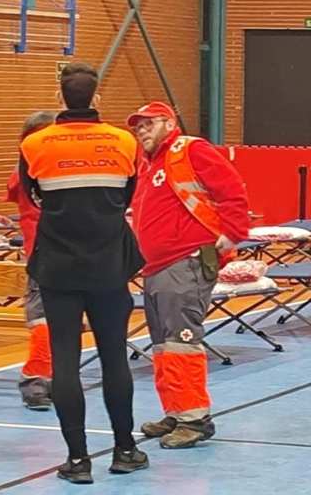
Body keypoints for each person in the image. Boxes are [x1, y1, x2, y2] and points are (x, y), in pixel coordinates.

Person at [18, 63, 148, 484]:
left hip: (58, 267)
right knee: (114, 359)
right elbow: (128, 193)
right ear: (96, 100)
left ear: (60, 99)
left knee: (66, 363)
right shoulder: (124, 141)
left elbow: (34, 196)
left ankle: (78, 460)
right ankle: (125, 450)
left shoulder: (35, 144)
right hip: (109, 265)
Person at [127, 102, 250, 449]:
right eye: (138, 127)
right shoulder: (149, 164)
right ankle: (177, 410)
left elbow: (232, 190)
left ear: (168, 123)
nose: (142, 131)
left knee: (181, 342)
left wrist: (233, 233)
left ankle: (195, 420)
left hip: (186, 261)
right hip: (157, 266)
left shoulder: (190, 150)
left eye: (148, 124)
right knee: (165, 345)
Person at [4, 110, 57, 409]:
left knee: (55, 320)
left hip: (62, 252)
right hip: (43, 252)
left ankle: (49, 379)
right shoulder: (30, 166)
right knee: (43, 320)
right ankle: (35, 380)